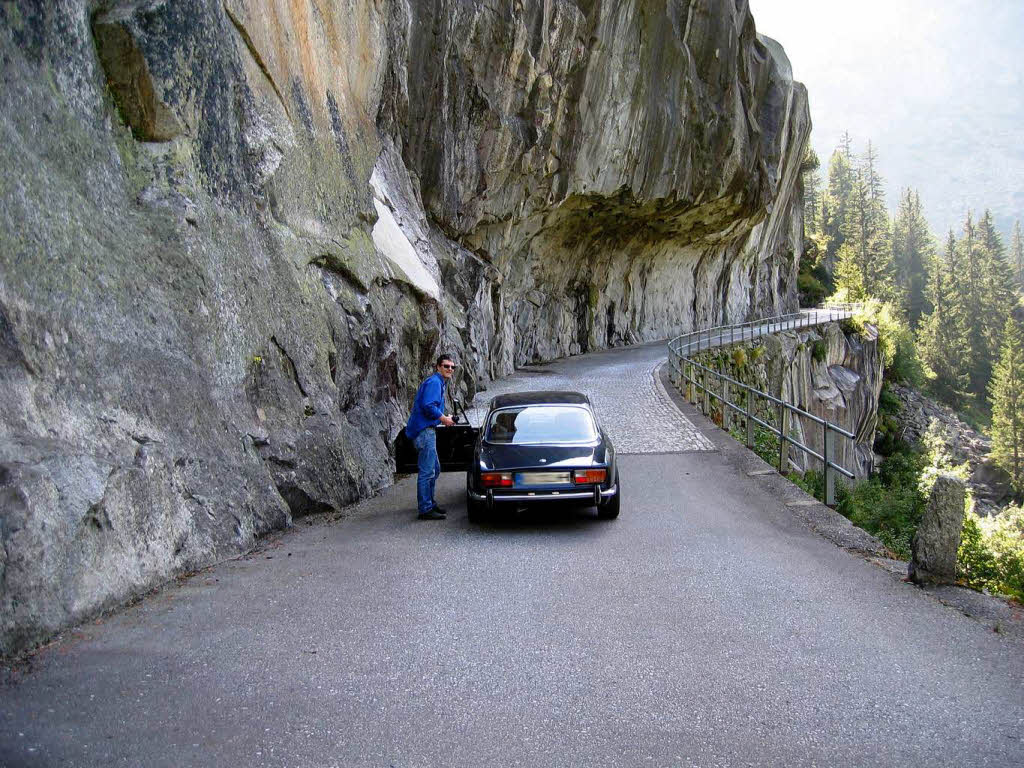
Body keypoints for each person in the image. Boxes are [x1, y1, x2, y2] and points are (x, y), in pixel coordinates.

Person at [405, 354, 456, 520]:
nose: (450, 369)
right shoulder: (435, 382)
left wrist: (444, 416)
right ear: (438, 367)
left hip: (426, 430)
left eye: (452, 367)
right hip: (424, 431)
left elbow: (431, 407)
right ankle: (425, 509)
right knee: (427, 471)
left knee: (435, 469)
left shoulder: (438, 382)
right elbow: (428, 406)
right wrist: (444, 419)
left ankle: (430, 503)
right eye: (446, 366)